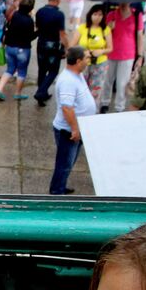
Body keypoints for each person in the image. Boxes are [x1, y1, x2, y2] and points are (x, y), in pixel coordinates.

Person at [50, 46, 96, 194]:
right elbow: (67, 108)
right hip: (68, 132)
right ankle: (56, 192)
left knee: (68, 163)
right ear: (78, 61)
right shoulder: (68, 81)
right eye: (86, 58)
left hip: (76, 129)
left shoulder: (77, 73)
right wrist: (75, 129)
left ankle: (61, 186)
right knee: (64, 164)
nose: (88, 61)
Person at [102, 3, 143, 113]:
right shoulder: (111, 15)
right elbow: (103, 34)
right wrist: (109, 27)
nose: (124, 3)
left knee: (122, 83)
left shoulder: (137, 15)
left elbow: (140, 36)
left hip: (128, 54)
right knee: (107, 80)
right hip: (110, 53)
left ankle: (119, 107)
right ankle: (104, 102)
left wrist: (140, 55)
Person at [0, 0, 36, 102]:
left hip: (10, 48)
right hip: (23, 49)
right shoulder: (29, 21)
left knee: (9, 69)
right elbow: (31, 37)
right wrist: (38, 32)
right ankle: (17, 93)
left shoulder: (13, 15)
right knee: (21, 71)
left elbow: (6, 28)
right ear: (31, 9)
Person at [33, 0, 67, 106]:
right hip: (53, 45)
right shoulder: (59, 14)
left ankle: (42, 95)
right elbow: (62, 34)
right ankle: (41, 91)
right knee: (53, 71)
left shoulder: (40, 12)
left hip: (41, 43)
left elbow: (37, 27)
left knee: (42, 69)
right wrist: (66, 47)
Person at [77, 5, 111, 108]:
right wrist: (83, 52)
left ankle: (93, 111)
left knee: (96, 89)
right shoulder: (82, 28)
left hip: (100, 63)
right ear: (90, 15)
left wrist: (101, 51)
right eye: (95, 14)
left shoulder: (106, 29)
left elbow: (110, 48)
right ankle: (81, 109)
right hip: (84, 63)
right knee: (81, 88)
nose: (97, 17)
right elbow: (72, 45)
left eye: (100, 15)